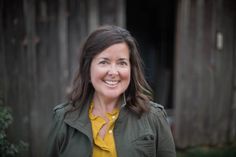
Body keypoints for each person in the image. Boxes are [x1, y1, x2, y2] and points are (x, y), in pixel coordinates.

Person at [46, 25, 176, 157]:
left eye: (122, 63)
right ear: (88, 68)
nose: (113, 72)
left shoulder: (153, 117)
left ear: (131, 69)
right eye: (104, 62)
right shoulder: (63, 119)